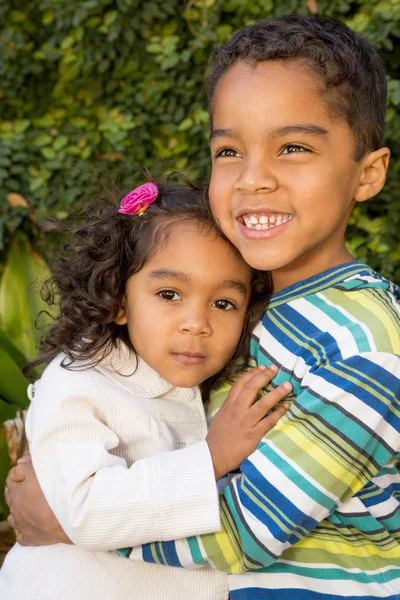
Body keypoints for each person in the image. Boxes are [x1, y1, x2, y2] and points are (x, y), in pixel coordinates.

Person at [6, 13, 400, 599]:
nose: (254, 179)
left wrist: (66, 521)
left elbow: (245, 532)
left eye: (293, 147)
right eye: (229, 151)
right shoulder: (245, 302)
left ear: (367, 174)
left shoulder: (365, 342)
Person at [0, 179, 291, 600]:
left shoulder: (218, 385)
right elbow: (86, 512)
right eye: (169, 293)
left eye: (223, 303)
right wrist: (212, 457)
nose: (197, 322)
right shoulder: (78, 384)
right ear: (119, 299)